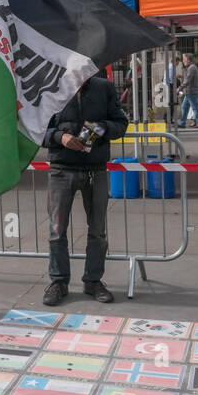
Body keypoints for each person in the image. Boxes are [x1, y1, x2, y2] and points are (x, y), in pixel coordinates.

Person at [41, 71, 128, 306]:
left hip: (95, 169)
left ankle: (93, 281)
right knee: (57, 230)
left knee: (98, 230)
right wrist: (60, 137)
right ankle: (59, 281)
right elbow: (37, 128)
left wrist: (102, 128)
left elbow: (121, 124)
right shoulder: (52, 87)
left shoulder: (104, 88)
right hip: (61, 168)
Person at [178, 53, 198, 128]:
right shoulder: (190, 67)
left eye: (184, 59)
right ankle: (182, 123)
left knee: (195, 108)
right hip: (189, 92)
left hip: (191, 91)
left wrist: (179, 88)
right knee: (185, 107)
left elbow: (187, 80)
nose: (183, 61)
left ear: (188, 60)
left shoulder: (191, 68)